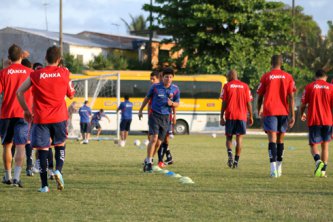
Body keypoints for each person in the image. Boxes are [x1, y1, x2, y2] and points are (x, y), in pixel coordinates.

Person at [17, 45, 75, 192]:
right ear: (59, 59)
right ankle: (58, 171)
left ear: (45, 58)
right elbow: (71, 94)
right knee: (60, 144)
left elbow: (19, 92)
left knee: (42, 150)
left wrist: (26, 110)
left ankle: (44, 186)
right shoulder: (64, 72)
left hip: (41, 118)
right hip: (60, 117)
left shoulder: (36, 75)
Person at [257, 55, 296, 178]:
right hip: (283, 111)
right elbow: (291, 97)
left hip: (270, 111)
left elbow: (260, 96)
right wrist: (293, 115)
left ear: (271, 63)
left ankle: (273, 169)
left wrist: (259, 109)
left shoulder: (266, 76)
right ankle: (279, 168)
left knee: (272, 140)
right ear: (282, 63)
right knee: (280, 140)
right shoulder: (288, 77)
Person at [0, 44, 33, 187]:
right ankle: (17, 178)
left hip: (7, 113)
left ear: (8, 57)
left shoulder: (3, 73)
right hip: (23, 113)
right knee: (20, 146)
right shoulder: (30, 72)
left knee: (7, 146)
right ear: (21, 56)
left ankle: (7, 176)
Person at [138, 67, 180, 173]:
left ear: (173, 78)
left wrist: (173, 104)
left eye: (170, 77)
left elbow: (177, 103)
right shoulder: (155, 87)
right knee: (154, 138)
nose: (168, 79)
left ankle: (150, 159)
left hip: (166, 118)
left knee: (159, 143)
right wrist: (141, 110)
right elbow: (147, 98)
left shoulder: (175, 89)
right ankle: (148, 162)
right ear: (163, 77)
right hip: (155, 115)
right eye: (166, 77)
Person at [300, 69, 333, 178]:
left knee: (313, 144)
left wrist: (302, 114)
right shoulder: (331, 87)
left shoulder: (310, 86)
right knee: (325, 146)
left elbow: (303, 104)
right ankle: (323, 172)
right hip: (328, 120)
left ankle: (318, 161)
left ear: (315, 77)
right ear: (326, 77)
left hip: (314, 119)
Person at [220, 70, 253, 168]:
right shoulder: (245, 86)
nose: (227, 78)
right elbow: (249, 103)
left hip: (230, 115)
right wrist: (250, 115)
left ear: (231, 76)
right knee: (239, 139)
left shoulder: (227, 86)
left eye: (227, 76)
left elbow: (224, 102)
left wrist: (221, 116)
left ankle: (230, 156)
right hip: (242, 116)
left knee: (229, 138)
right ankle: (236, 162)